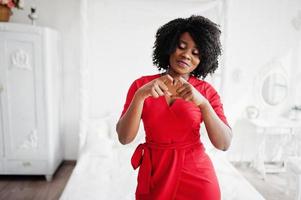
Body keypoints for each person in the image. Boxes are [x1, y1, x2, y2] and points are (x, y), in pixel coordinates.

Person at [116, 15, 232, 200]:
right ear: (169, 45)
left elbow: (224, 143)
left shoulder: (206, 92)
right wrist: (139, 97)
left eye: (196, 52)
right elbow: (124, 138)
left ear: (203, 58)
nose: (186, 55)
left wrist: (203, 104)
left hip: (197, 177)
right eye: (181, 46)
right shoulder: (141, 86)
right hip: (156, 173)